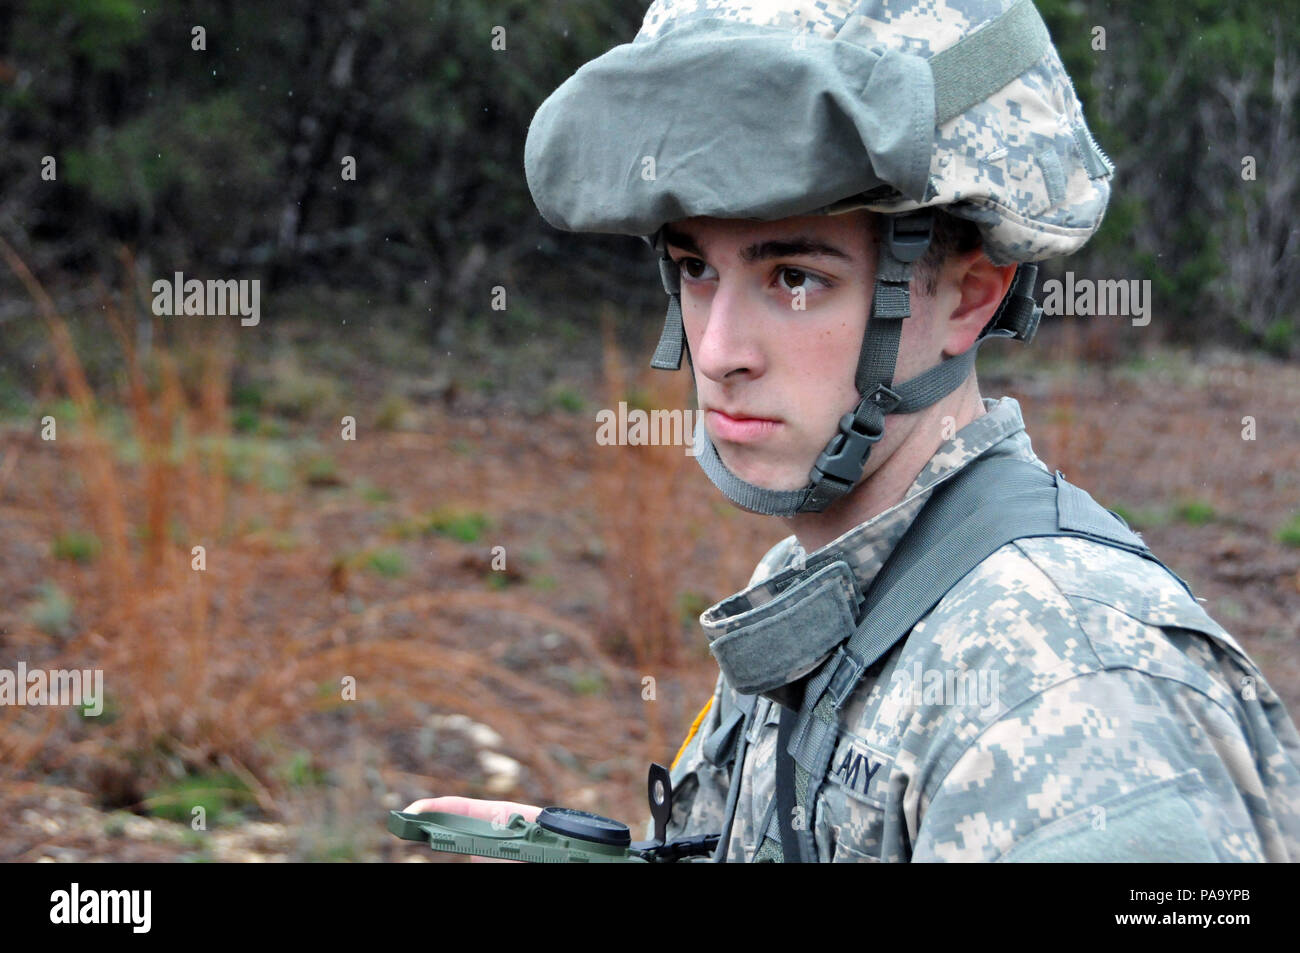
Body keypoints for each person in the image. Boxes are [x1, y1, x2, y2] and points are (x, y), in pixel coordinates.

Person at [406, 0, 1300, 861]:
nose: (717, 352)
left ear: (968, 296)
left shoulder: (1071, 686)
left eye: (794, 277)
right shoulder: (823, 585)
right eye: (694, 268)